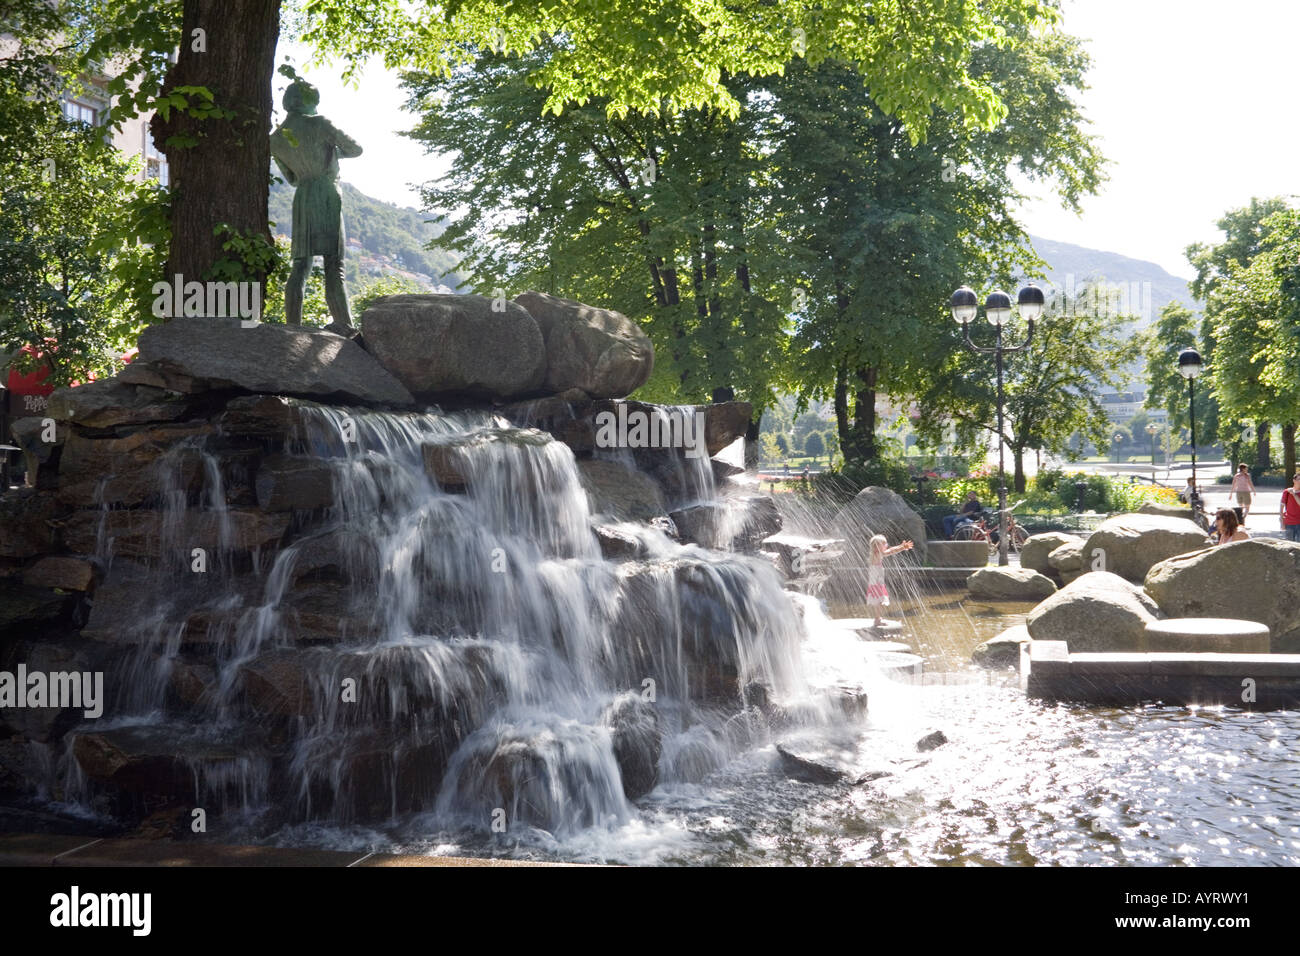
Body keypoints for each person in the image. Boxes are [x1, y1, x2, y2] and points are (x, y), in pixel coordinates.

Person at [270, 78, 363, 332]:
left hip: (302, 197)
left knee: (300, 265)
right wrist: (331, 153)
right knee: (335, 264)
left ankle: (293, 326)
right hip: (326, 192)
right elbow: (355, 149)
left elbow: (290, 179)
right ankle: (345, 326)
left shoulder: (275, 139)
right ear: (310, 101)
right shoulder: (320, 123)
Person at [866, 534, 914, 627]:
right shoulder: (878, 554)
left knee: (879, 601)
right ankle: (877, 619)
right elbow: (891, 551)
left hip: (876, 582)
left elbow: (890, 550)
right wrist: (902, 547)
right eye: (884, 544)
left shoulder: (875, 554)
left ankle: (878, 618)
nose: (886, 545)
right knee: (879, 601)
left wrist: (901, 546)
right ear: (877, 546)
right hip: (876, 583)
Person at [1282, 474, 1300, 542]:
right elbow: (1281, 507)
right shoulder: (1286, 492)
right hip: (1289, 523)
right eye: (1299, 479)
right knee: (1289, 545)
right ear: (1294, 480)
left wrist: (1294, 494)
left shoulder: (1292, 493)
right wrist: (1281, 522)